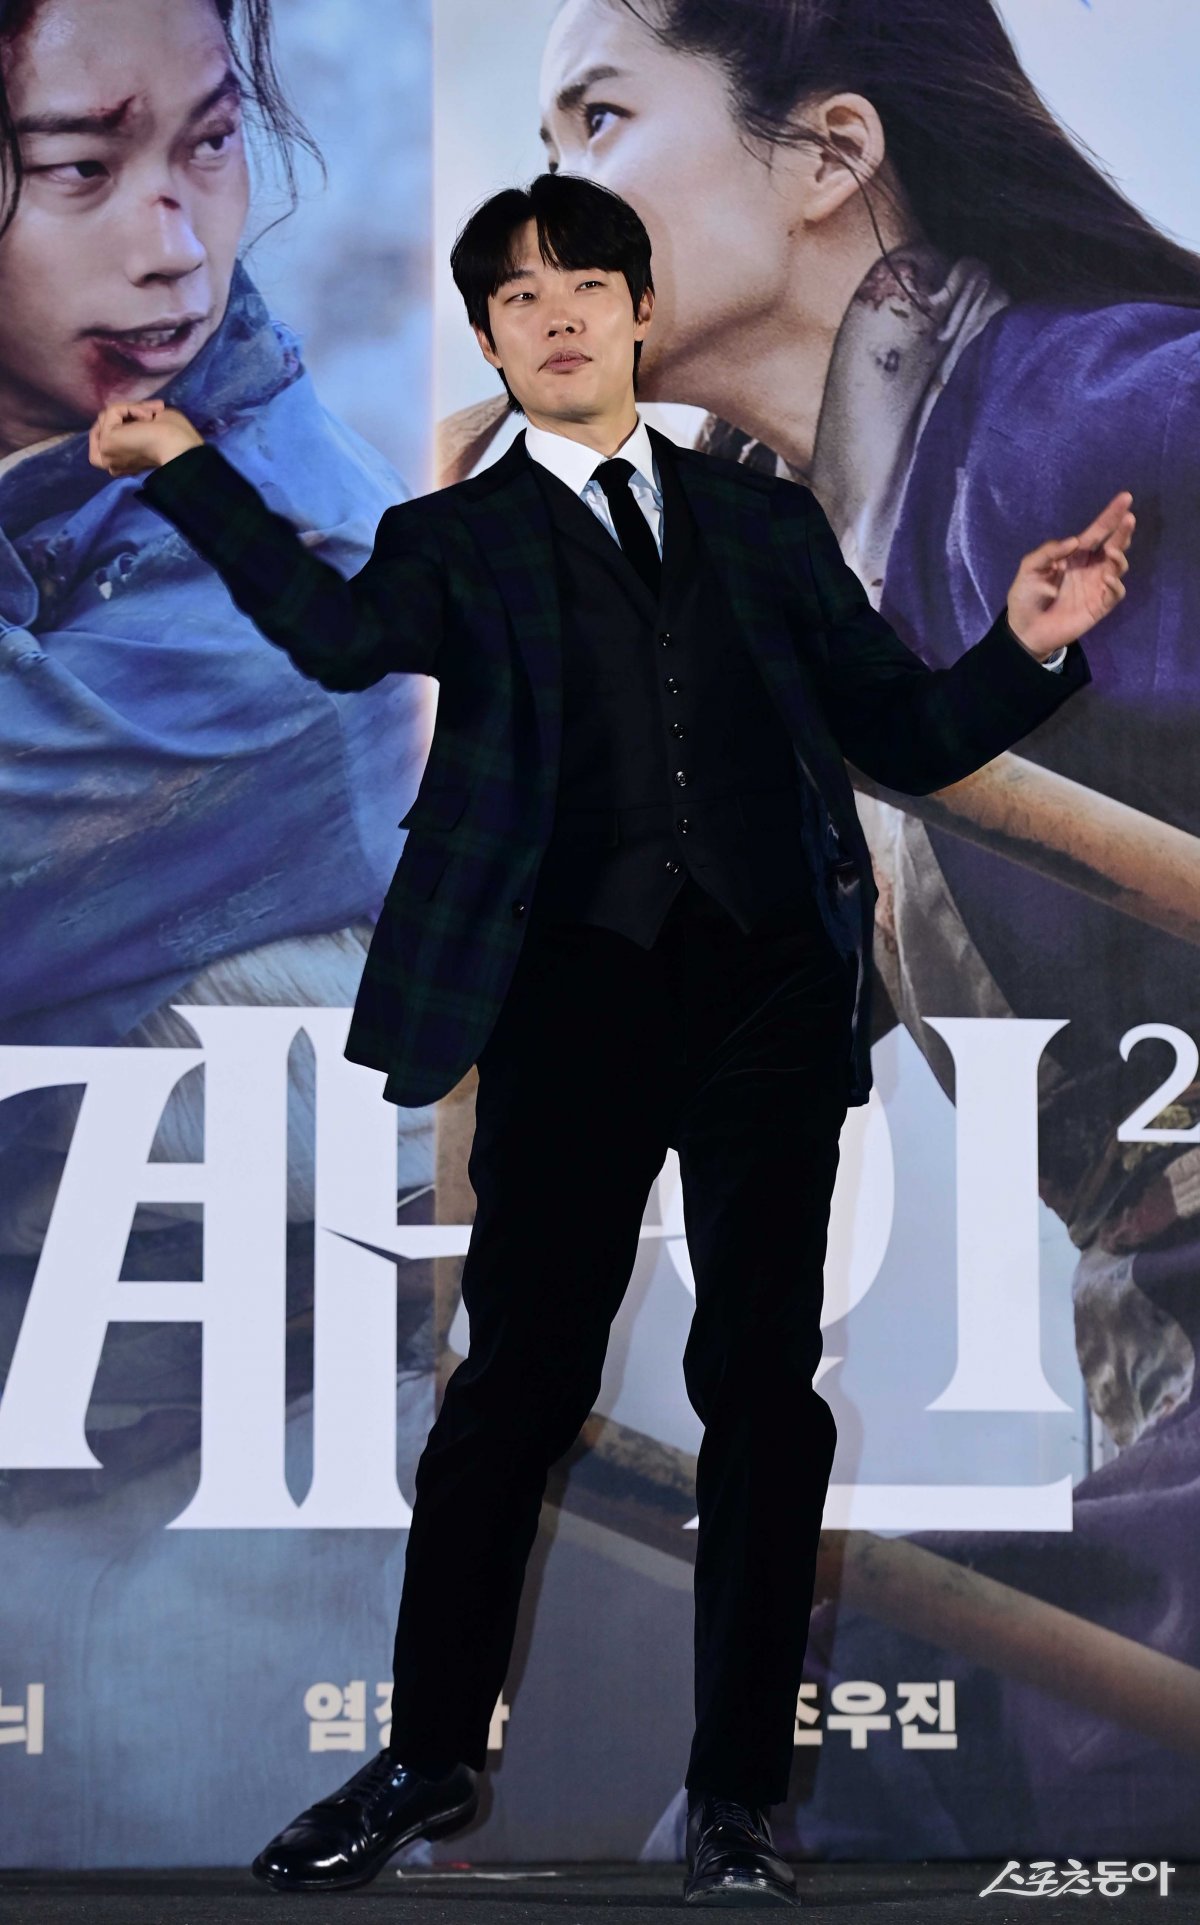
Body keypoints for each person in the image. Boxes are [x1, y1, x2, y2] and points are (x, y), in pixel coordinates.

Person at [90, 171, 1130, 1906]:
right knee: (515, 1384)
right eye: (518, 297)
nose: (556, 313)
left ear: (640, 312)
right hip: (565, 998)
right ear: (492, 341)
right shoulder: (458, 537)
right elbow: (336, 640)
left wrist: (1024, 648)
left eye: (585, 283)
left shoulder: (765, 527)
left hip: (769, 998)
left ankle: (739, 1801)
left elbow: (898, 728)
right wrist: (186, 466)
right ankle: (428, 1757)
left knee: (764, 1391)